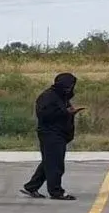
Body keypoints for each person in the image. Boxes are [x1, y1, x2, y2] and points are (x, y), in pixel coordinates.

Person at [22, 72, 85, 200]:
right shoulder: (48, 97)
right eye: (69, 85)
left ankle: (31, 187)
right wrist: (65, 113)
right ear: (62, 84)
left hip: (59, 133)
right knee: (55, 165)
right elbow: (44, 115)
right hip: (50, 134)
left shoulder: (62, 97)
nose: (71, 88)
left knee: (49, 162)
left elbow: (63, 110)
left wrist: (70, 112)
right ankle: (56, 192)